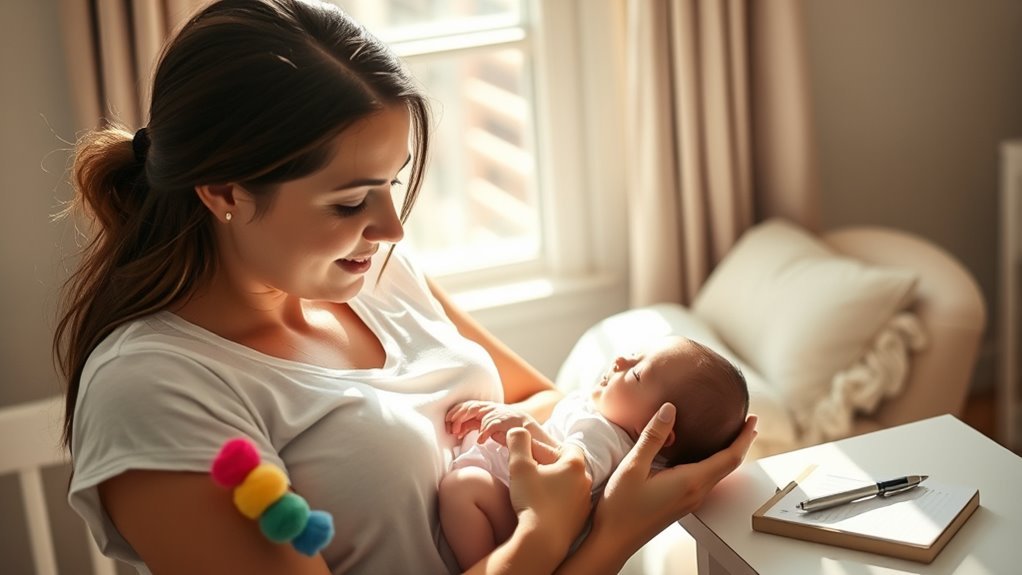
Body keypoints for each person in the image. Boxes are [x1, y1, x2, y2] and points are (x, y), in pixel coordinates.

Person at [51, 0, 758, 573]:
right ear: (222, 191)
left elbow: (542, 399)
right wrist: (587, 534)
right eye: (350, 201)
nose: (391, 226)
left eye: (392, 182)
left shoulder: (378, 279)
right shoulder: (154, 391)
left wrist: (566, 481)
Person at [439, 336, 749, 569]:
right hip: (521, 502)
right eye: (634, 355)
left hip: (523, 513)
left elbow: (570, 473)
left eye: (638, 372)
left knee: (462, 488)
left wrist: (522, 427)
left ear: (657, 427)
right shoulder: (600, 414)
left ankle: (484, 564)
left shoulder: (606, 437)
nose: (620, 361)